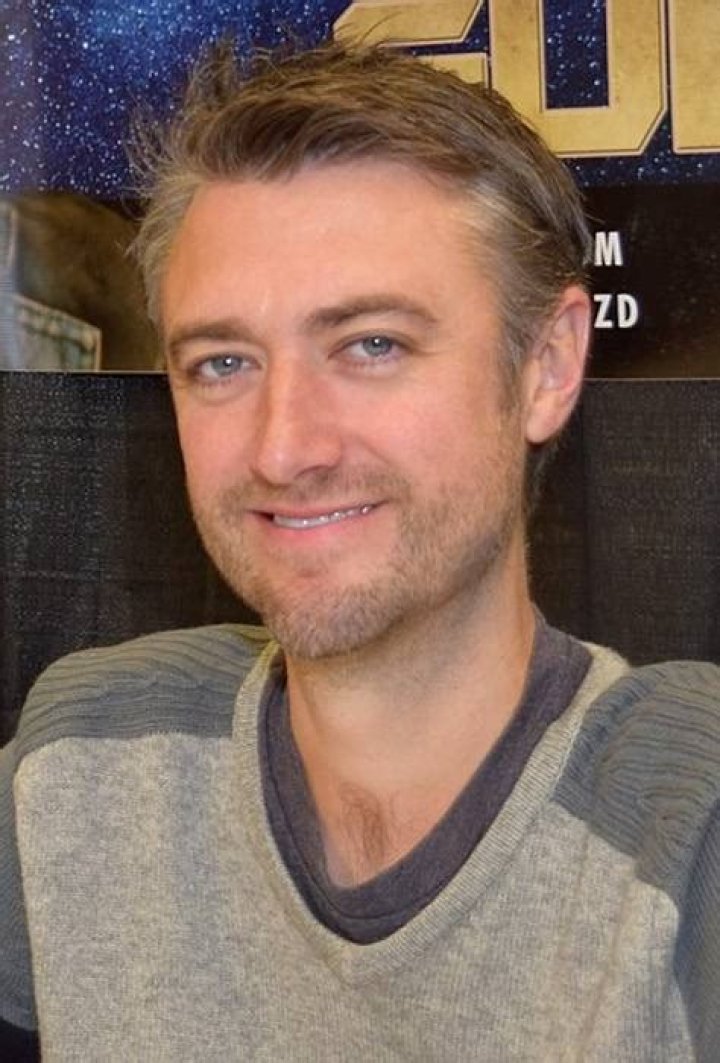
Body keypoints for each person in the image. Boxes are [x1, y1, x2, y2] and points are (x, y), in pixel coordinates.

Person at [2, 42, 719, 1061]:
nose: (284, 447)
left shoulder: (687, 822)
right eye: (224, 362)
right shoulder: (84, 757)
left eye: (372, 344)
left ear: (547, 365)